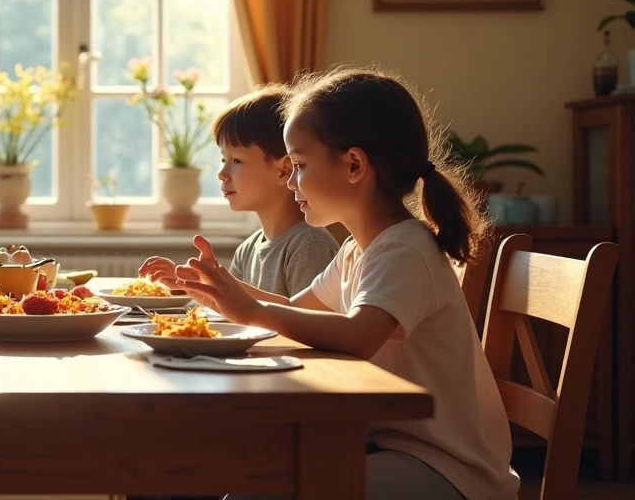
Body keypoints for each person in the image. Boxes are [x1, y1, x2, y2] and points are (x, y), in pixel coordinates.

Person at [176, 69, 519, 500]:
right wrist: (222, 288)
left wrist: (251, 310)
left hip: (448, 469)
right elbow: (296, 310)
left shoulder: (404, 250)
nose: (291, 181)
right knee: (249, 480)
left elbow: (359, 336)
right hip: (394, 449)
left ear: (355, 165)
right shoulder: (360, 249)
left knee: (260, 489)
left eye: (299, 166)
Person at [139, 85, 339, 299]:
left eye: (236, 160)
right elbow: (234, 313)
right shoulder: (247, 249)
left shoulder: (309, 247)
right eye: (223, 159)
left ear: (284, 170)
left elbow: (308, 324)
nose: (222, 174)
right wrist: (190, 284)